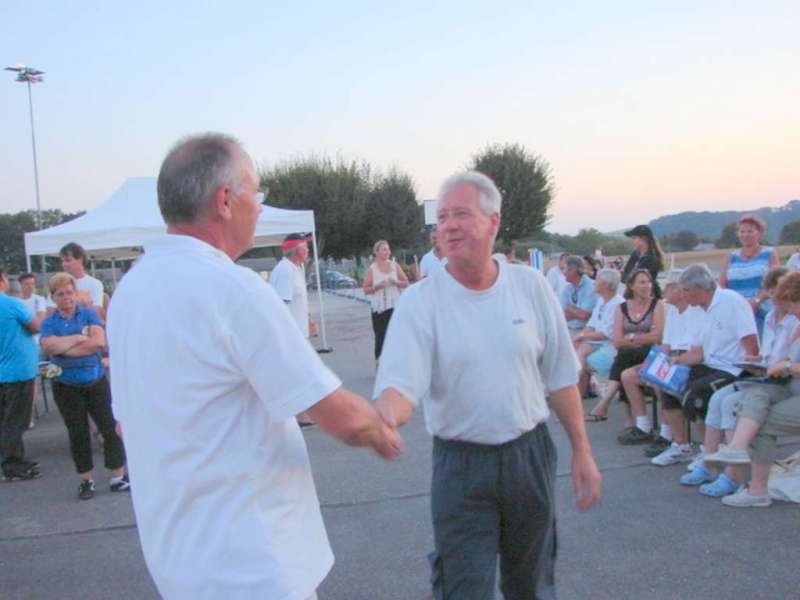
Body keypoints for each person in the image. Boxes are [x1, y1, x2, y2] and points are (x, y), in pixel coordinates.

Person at [107, 133, 402, 600]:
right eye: (256, 193)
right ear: (225, 200)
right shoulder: (233, 289)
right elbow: (338, 416)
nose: (260, 207)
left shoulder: (128, 293)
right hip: (252, 565)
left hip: (179, 562)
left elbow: (125, 423)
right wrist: (382, 425)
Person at [373, 171, 601, 599]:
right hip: (461, 467)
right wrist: (384, 415)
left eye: (462, 214)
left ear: (494, 221)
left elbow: (561, 378)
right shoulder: (421, 302)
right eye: (442, 218)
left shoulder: (530, 287)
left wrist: (583, 452)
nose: (450, 225)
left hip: (529, 457)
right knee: (464, 588)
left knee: (531, 583)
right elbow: (401, 384)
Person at [682, 268, 796, 494]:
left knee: (734, 405)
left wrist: (780, 365)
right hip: (769, 377)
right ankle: (710, 462)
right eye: (772, 293)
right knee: (718, 401)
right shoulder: (774, 317)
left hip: (781, 382)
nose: (774, 298)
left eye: (780, 294)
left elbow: (787, 360)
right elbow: (774, 354)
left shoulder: (793, 319)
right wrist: (758, 360)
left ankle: (734, 473)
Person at [650, 264, 759, 467]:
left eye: (685, 290)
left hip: (733, 369)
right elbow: (698, 352)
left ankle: (709, 452)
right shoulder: (700, 309)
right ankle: (682, 445)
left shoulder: (730, 301)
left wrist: (752, 373)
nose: (682, 295)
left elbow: (751, 343)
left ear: (700, 288)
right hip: (710, 365)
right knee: (669, 385)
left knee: (696, 394)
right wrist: (676, 362)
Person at [40, 272, 128, 500]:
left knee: (109, 428)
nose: (66, 297)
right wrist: (79, 338)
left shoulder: (88, 315)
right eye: (60, 294)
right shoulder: (50, 322)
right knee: (77, 433)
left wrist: (65, 347)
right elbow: (49, 347)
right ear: (53, 297)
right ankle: (86, 480)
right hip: (65, 384)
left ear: (76, 294)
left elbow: (98, 342)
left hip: (94, 380)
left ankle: (117, 476)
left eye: (69, 292)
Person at [586, 270, 664, 434]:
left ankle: (615, 410)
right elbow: (617, 340)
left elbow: (658, 337)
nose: (647, 285)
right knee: (624, 360)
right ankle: (632, 420)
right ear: (632, 286)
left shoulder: (657, 305)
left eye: (648, 282)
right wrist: (643, 336)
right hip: (628, 353)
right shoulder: (621, 308)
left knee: (623, 358)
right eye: (642, 282)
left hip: (649, 353)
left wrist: (632, 337)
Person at [0, 269, 41, 481]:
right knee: (16, 420)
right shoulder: (11, 303)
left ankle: (12, 458)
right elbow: (35, 326)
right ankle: (12, 463)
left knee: (4, 418)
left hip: (3, 370)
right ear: (2, 280)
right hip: (17, 370)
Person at [718, 214, 779, 330]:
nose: (745, 235)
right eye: (742, 232)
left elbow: (775, 282)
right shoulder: (731, 257)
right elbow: (722, 284)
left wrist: (756, 301)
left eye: (750, 231)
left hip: (763, 311)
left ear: (759, 233)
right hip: (736, 312)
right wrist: (734, 303)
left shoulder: (769, 253)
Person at [573, 268, 624, 403]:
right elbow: (591, 325)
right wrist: (581, 336)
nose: (594, 283)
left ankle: (575, 398)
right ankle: (578, 396)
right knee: (576, 348)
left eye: (597, 280)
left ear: (606, 284)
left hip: (612, 346)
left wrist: (582, 337)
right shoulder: (602, 301)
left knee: (579, 358)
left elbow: (605, 334)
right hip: (599, 343)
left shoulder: (618, 304)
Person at [363, 240, 409, 361]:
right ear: (376, 252)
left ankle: (397, 364)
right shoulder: (372, 269)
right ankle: (379, 366)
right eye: (384, 250)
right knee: (380, 337)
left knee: (397, 336)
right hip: (379, 308)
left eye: (388, 249)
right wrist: (378, 286)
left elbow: (406, 283)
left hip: (395, 306)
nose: (387, 252)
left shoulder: (395, 265)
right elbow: (366, 289)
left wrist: (396, 282)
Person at [58, 242, 105, 312]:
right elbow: (50, 311)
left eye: (68, 260)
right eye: (62, 261)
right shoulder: (57, 283)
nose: (64, 264)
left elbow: (95, 311)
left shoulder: (95, 284)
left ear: (80, 259)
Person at [621, 224, 665, 298]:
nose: (632, 241)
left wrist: (627, 277)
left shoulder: (652, 258)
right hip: (632, 295)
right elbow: (625, 276)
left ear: (644, 239)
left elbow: (635, 279)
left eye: (634, 238)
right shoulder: (635, 254)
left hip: (646, 297)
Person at [559, 255, 599, 334]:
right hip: (568, 329)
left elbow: (584, 316)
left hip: (585, 331)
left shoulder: (592, 287)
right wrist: (576, 311)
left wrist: (569, 307)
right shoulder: (567, 288)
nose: (563, 273)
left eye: (565, 269)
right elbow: (562, 315)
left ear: (573, 270)